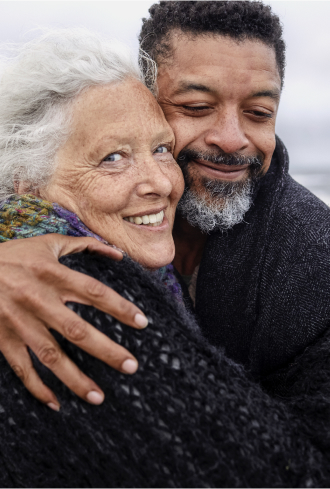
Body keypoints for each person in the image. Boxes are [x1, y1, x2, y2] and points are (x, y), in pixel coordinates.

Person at [0, 29, 329, 488]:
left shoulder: (305, 245)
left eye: (160, 149)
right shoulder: (79, 293)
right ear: (25, 184)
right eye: (113, 157)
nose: (160, 181)